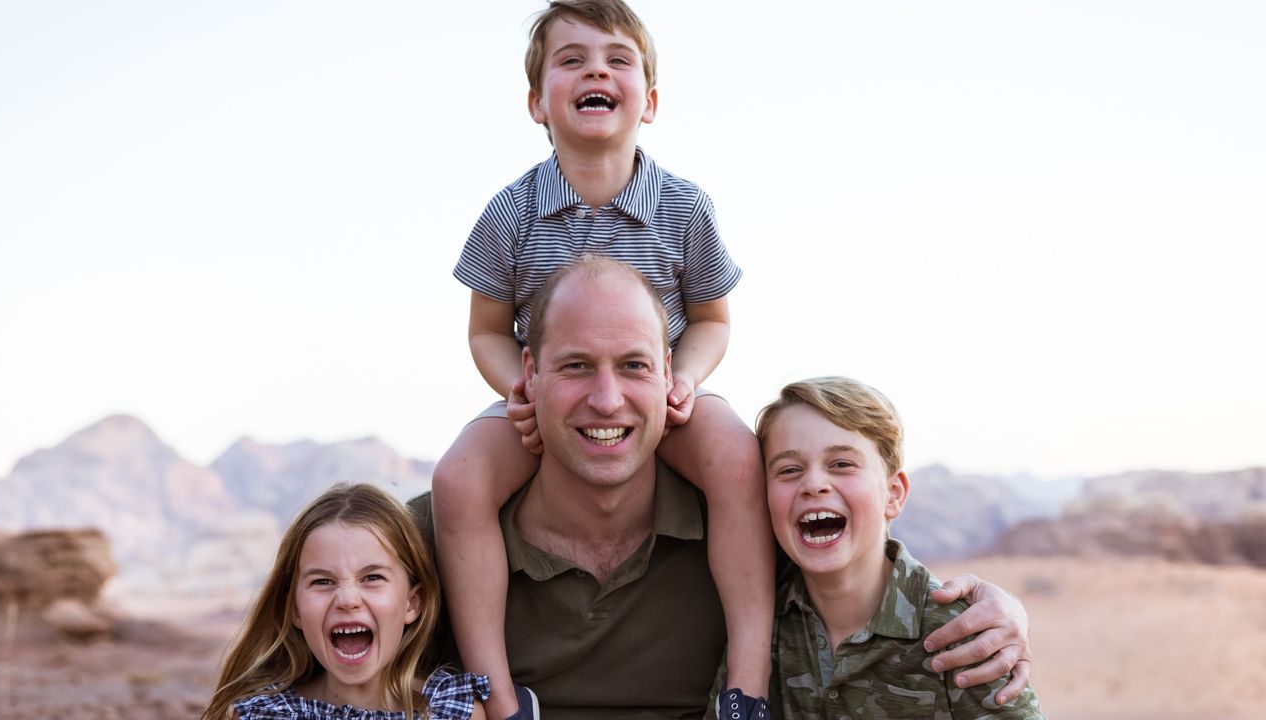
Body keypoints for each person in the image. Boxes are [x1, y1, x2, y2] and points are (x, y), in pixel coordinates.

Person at [411, 256, 1033, 720]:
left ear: (671, 378)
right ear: (529, 374)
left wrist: (997, 611)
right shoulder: (429, 548)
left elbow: (857, 580)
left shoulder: (744, 541)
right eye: (576, 365)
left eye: (634, 366)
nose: (607, 398)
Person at [433, 1, 774, 717]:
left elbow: (712, 318)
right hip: (545, 402)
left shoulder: (684, 207)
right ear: (537, 103)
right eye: (572, 59)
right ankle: (496, 697)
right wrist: (513, 392)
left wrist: (686, 378)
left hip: (663, 399)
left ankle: (747, 686)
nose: (596, 70)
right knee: (460, 477)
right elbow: (487, 331)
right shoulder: (510, 212)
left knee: (740, 458)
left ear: (648, 101)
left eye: (618, 59)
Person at [756, 377, 1044, 718]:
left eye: (842, 464)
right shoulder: (753, 621)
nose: (814, 484)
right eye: (789, 470)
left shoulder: (961, 632)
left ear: (893, 495)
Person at [202, 483, 488, 720]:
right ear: (294, 610)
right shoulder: (262, 714)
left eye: (372, 577)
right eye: (322, 581)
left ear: (411, 604)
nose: (348, 600)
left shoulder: (453, 712)